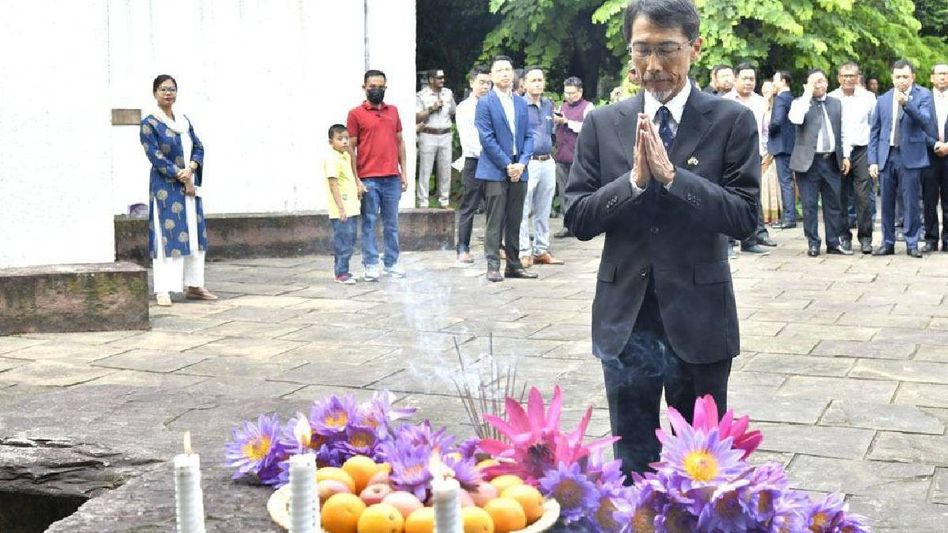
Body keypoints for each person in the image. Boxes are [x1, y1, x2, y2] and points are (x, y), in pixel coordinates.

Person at [564, 0, 759, 476]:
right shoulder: (604, 122)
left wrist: (673, 178)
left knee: (700, 466)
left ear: (695, 47)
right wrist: (632, 182)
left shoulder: (731, 120)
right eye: (642, 50)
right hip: (625, 319)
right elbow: (578, 218)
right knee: (632, 461)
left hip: (700, 318)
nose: (654, 66)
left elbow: (745, 217)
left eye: (668, 50)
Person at [140, 74, 216, 307]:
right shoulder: (150, 123)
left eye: (172, 89)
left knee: (194, 233)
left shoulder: (184, 121)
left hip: (189, 186)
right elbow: (154, 154)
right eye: (163, 89)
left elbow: (199, 146)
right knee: (167, 236)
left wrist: (191, 168)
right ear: (155, 93)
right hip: (166, 187)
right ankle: (164, 289)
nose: (168, 93)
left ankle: (195, 285)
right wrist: (178, 173)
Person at [476, 55, 537, 282]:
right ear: (492, 76)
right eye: (500, 70)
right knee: (495, 218)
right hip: (495, 168)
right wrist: (507, 164)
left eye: (508, 70)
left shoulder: (521, 102)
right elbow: (487, 138)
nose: (504, 74)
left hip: (519, 167)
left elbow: (529, 135)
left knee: (515, 217)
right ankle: (493, 265)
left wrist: (521, 162)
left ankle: (514, 264)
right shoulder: (485, 103)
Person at [869, 60, 936, 258]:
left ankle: (912, 242)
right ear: (892, 78)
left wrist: (906, 103)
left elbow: (925, 121)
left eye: (905, 77)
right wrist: (872, 160)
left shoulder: (923, 95)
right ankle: (887, 242)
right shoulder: (882, 99)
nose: (901, 81)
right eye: (897, 77)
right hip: (887, 155)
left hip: (911, 157)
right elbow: (875, 132)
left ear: (912, 77)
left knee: (911, 202)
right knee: (886, 202)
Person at [347, 69, 408, 280]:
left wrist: (404, 173)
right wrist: (356, 179)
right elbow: (350, 149)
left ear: (386, 87)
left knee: (391, 223)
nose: (376, 90)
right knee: (369, 223)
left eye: (380, 86)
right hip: (368, 178)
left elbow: (400, 142)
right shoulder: (355, 114)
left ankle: (391, 262)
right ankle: (371, 264)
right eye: (372, 87)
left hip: (392, 177)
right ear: (364, 88)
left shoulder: (393, 111)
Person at [788, 69, 851, 257]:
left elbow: (843, 131)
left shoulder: (836, 103)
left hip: (831, 160)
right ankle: (813, 242)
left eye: (822, 81)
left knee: (834, 204)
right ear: (807, 85)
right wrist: (807, 94)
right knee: (809, 204)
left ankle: (833, 242)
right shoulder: (800, 103)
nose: (819, 85)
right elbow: (795, 118)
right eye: (815, 82)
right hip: (808, 162)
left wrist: (846, 155)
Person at [724, 63, 777, 253]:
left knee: (752, 196)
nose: (748, 82)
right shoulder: (725, 101)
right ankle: (728, 243)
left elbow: (765, 130)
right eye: (744, 78)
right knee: (727, 196)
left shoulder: (761, 102)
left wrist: (765, 153)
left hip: (755, 155)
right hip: (728, 155)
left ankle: (750, 240)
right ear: (735, 79)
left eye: (752, 79)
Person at [829, 62, 877, 254]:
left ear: (858, 78)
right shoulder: (832, 98)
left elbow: (875, 126)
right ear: (838, 78)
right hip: (839, 152)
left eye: (852, 76)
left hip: (862, 150)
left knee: (863, 197)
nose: (848, 79)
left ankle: (866, 237)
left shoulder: (869, 97)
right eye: (844, 76)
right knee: (839, 196)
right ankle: (844, 236)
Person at [518, 66, 564, 267]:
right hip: (528, 162)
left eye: (540, 80)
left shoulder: (548, 105)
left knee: (543, 208)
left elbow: (551, 132)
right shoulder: (519, 104)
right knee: (523, 207)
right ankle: (523, 251)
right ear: (524, 84)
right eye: (533, 80)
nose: (537, 83)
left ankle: (541, 249)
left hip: (547, 161)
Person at [455, 65, 493, 263]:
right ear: (472, 83)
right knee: (470, 205)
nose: (486, 86)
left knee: (495, 205)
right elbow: (469, 140)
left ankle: (494, 247)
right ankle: (463, 247)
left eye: (488, 83)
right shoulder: (464, 108)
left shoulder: (494, 104)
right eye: (482, 82)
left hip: (494, 162)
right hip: (475, 161)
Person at [553, 77, 595, 237]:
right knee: (563, 192)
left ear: (580, 92)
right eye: (566, 92)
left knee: (582, 192)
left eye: (572, 93)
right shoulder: (562, 106)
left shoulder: (588, 107)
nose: (569, 96)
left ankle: (584, 224)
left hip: (579, 157)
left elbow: (588, 128)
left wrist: (567, 122)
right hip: (561, 156)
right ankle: (567, 225)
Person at [324, 125, 365, 284]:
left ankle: (343, 270)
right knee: (343, 240)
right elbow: (333, 184)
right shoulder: (332, 159)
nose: (344, 142)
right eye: (339, 139)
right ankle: (340, 272)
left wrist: (358, 184)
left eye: (346, 138)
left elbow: (351, 173)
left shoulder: (346, 156)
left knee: (350, 239)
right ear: (330, 141)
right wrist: (341, 209)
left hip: (352, 206)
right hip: (341, 209)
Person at [415, 69, 456, 208]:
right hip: (428, 134)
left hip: (445, 133)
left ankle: (444, 201)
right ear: (431, 79)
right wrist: (431, 109)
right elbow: (416, 117)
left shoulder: (448, 93)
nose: (442, 80)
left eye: (443, 78)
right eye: (439, 78)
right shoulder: (421, 95)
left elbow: (453, 111)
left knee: (445, 169)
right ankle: (423, 202)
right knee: (425, 170)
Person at [921, 63, 948, 252]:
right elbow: (916, 128)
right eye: (939, 74)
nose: (943, 77)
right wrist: (935, 144)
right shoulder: (922, 98)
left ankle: (947, 240)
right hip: (928, 155)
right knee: (929, 199)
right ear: (931, 77)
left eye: (946, 74)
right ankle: (931, 239)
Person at [768, 70, 797, 229]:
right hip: (792, 144)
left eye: (775, 80)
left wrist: (769, 131)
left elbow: (777, 121)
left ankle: (789, 218)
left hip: (781, 145)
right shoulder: (792, 98)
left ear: (783, 81)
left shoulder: (780, 99)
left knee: (785, 182)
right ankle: (791, 215)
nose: (773, 83)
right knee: (791, 182)